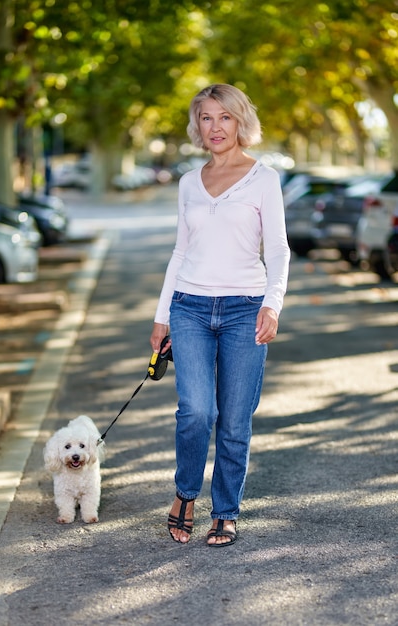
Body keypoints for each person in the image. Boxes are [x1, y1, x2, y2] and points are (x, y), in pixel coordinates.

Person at [150, 83, 290, 547]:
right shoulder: (189, 182)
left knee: (233, 420)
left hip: (244, 310)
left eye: (224, 117)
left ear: (240, 122)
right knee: (195, 411)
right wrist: (161, 314)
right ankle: (186, 494)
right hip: (188, 307)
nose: (215, 127)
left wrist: (273, 302)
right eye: (206, 118)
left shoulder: (264, 178)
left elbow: (280, 249)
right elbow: (179, 250)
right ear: (197, 125)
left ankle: (225, 510)